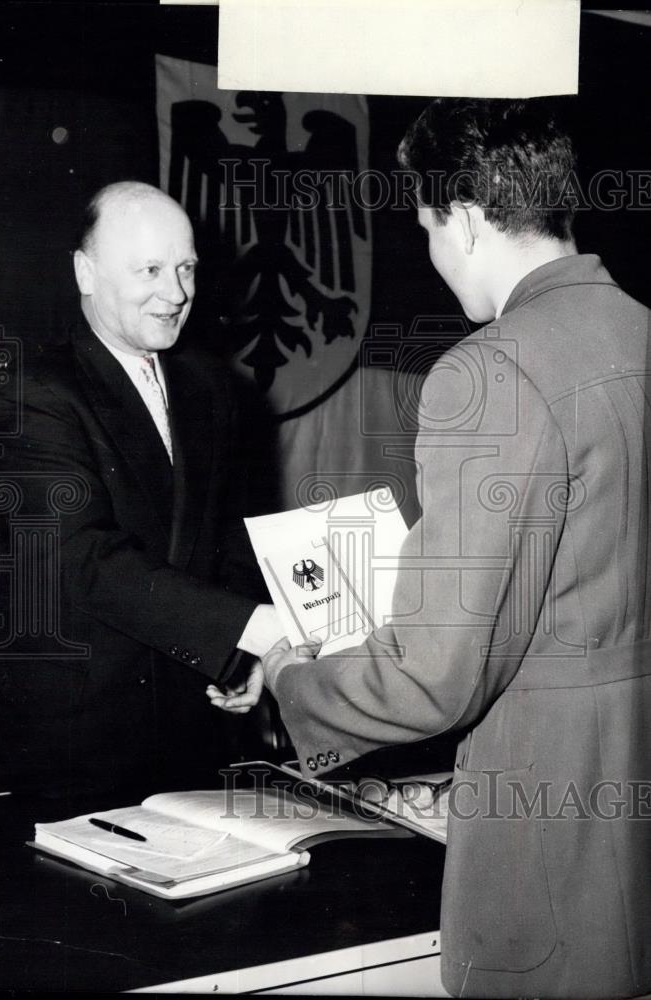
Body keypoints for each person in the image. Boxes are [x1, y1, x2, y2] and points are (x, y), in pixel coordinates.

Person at [260, 100, 651, 998]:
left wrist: (291, 681)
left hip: (550, 861)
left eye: (428, 225)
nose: (433, 255)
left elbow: (435, 675)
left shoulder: (491, 370)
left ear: (467, 219)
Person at [0, 181, 283, 798]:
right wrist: (252, 628)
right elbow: (78, 558)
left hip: (192, 725)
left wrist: (241, 654)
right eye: (150, 270)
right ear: (86, 272)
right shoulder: (33, 388)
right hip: (70, 739)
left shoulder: (210, 385)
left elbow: (230, 535)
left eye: (186, 268)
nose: (176, 294)